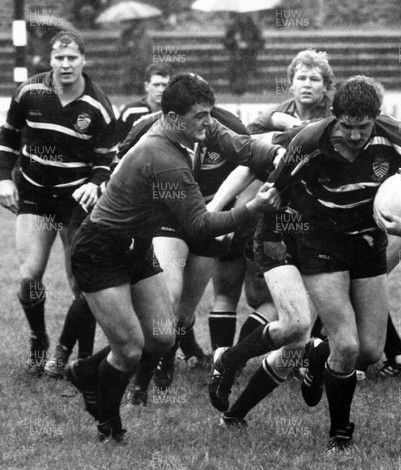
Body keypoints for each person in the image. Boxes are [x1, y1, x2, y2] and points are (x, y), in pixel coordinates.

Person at [212, 76, 401, 453]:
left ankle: (313, 355)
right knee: (338, 341)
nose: (356, 136)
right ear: (335, 118)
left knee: (369, 351)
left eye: (364, 127)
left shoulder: (399, 139)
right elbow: (269, 184)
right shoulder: (308, 141)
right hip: (314, 240)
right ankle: (340, 434)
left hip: (365, 241)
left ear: (377, 117)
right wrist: (237, 216)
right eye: (348, 127)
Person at [63, 73, 282, 443]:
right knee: (130, 349)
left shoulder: (194, 128)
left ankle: (86, 371)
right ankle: (109, 425)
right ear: (173, 116)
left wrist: (274, 151)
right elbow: (198, 226)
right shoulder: (162, 155)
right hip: (100, 249)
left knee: (163, 338)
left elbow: (241, 146)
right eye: (200, 115)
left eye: (209, 113)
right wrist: (253, 209)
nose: (208, 122)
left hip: (136, 246)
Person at [117, 95, 277, 406]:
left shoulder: (227, 126)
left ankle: (167, 354)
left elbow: (249, 167)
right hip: (169, 221)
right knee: (168, 297)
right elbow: (123, 159)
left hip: (210, 224)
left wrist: (231, 213)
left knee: (185, 313)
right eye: (195, 112)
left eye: (205, 112)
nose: (202, 119)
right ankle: (140, 382)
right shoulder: (154, 128)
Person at [0, 30, 116, 376]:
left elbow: (105, 158)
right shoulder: (30, 92)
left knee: (82, 283)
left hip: (74, 200)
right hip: (35, 194)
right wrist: (4, 177)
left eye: (72, 58)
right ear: (50, 61)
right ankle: (38, 339)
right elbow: (7, 135)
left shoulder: (98, 106)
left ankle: (78, 356)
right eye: (59, 58)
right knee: (30, 276)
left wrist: (95, 184)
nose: (65, 64)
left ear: (84, 60)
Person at [116, 63, 172, 143]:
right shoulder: (130, 112)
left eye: (164, 85)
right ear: (147, 86)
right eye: (156, 85)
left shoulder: (178, 113)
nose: (161, 90)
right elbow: (118, 145)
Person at [222, 13, 264, 96]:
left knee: (244, 76)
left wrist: (248, 46)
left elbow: (260, 43)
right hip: (235, 57)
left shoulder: (253, 28)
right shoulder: (233, 27)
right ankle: (235, 91)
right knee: (234, 75)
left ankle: (242, 91)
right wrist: (234, 40)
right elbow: (226, 42)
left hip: (248, 58)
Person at [119, 19, 152, 96]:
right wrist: (127, 46)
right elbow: (119, 48)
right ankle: (127, 93)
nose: (136, 25)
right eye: (134, 23)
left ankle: (140, 92)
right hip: (129, 61)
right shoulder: (125, 35)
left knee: (140, 80)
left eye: (138, 23)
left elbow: (149, 48)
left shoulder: (145, 35)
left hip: (142, 61)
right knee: (128, 79)